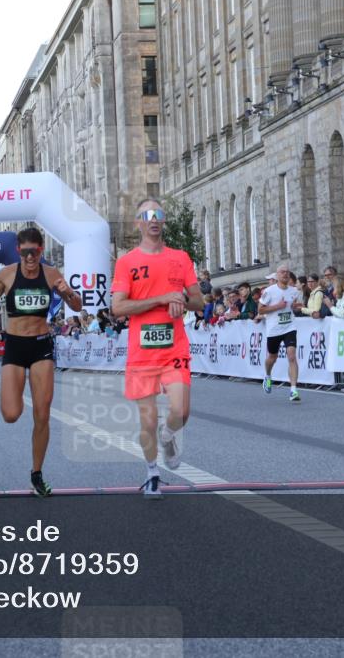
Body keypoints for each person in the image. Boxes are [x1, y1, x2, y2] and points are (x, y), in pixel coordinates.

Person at [0, 227, 82, 498]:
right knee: (11, 414)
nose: (30, 258)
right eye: (25, 252)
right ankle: (34, 467)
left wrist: (66, 292)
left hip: (41, 346)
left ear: (41, 250)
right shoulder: (7, 274)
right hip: (15, 347)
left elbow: (77, 306)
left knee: (42, 413)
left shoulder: (51, 274)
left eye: (35, 252)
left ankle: (37, 473)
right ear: (19, 251)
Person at [110, 198, 204, 498]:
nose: (153, 219)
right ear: (138, 222)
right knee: (147, 420)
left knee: (181, 410)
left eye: (158, 214)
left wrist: (180, 300)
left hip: (174, 348)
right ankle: (152, 473)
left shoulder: (180, 257)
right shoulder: (127, 262)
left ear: (163, 221)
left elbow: (199, 302)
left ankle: (168, 436)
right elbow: (118, 307)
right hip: (142, 353)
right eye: (146, 215)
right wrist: (162, 299)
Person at [259, 264, 303, 402]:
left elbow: (293, 307)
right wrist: (278, 306)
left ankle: (293, 390)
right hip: (274, 329)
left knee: (291, 356)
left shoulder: (294, 291)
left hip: (289, 327)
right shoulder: (269, 291)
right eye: (282, 272)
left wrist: (296, 307)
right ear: (277, 275)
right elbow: (260, 310)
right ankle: (267, 375)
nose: (285, 274)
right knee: (272, 357)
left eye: (287, 272)